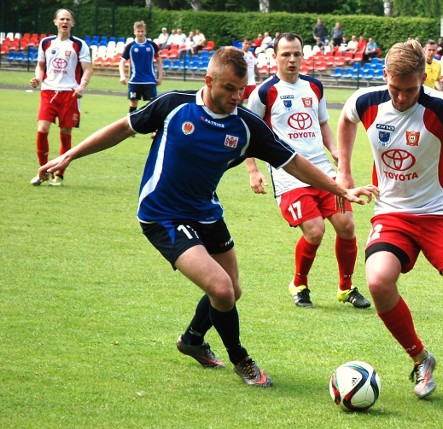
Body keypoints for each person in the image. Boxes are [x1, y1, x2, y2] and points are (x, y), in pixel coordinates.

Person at [36, 46, 377, 389]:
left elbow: (293, 161)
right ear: (209, 80)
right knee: (221, 288)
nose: (236, 96)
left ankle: (193, 338)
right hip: (162, 214)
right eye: (229, 88)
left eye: (241, 89)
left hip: (205, 211)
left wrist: (340, 188)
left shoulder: (246, 126)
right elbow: (123, 128)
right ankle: (240, 358)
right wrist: (70, 155)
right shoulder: (175, 106)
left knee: (232, 291)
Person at [336, 39, 443, 399]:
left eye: (410, 90)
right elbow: (346, 119)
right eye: (395, 88)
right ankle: (420, 359)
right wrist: (344, 171)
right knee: (378, 281)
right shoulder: (366, 101)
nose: (401, 98)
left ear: (423, 77)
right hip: (392, 213)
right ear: (385, 76)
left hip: (441, 214)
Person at [245, 32, 372, 310]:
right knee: (314, 231)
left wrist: (335, 151)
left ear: (303, 56)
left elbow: (323, 123)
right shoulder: (264, 93)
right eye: (286, 54)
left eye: (297, 54)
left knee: (347, 225)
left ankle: (346, 288)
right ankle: (299, 284)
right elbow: (249, 133)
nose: (292, 59)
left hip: (323, 171)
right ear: (275, 57)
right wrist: (253, 170)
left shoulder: (315, 87)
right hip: (287, 175)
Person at [29, 8, 92, 187]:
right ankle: (43, 172)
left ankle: (60, 174)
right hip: (48, 91)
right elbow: (41, 66)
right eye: (61, 19)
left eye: (68, 19)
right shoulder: (46, 43)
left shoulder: (79, 45)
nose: (64, 22)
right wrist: (38, 79)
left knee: (65, 133)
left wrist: (82, 86)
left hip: (70, 93)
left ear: (73, 23)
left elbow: (87, 68)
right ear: (55, 22)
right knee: (42, 129)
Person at [119, 21, 163, 114]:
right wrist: (122, 76)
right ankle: (131, 126)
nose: (140, 33)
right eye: (138, 31)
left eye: (142, 31)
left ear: (145, 32)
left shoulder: (152, 45)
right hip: (135, 81)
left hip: (150, 81)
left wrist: (160, 77)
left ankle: (150, 127)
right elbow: (122, 62)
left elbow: (159, 61)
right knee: (133, 104)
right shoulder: (130, 46)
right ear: (134, 32)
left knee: (152, 104)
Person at [240, 36, 258, 105]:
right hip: (242, 82)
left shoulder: (252, 54)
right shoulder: (239, 54)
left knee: (253, 102)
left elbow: (255, 66)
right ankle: (238, 115)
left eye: (249, 44)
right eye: (246, 43)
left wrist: (260, 77)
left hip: (252, 83)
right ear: (242, 43)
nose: (247, 45)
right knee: (240, 102)